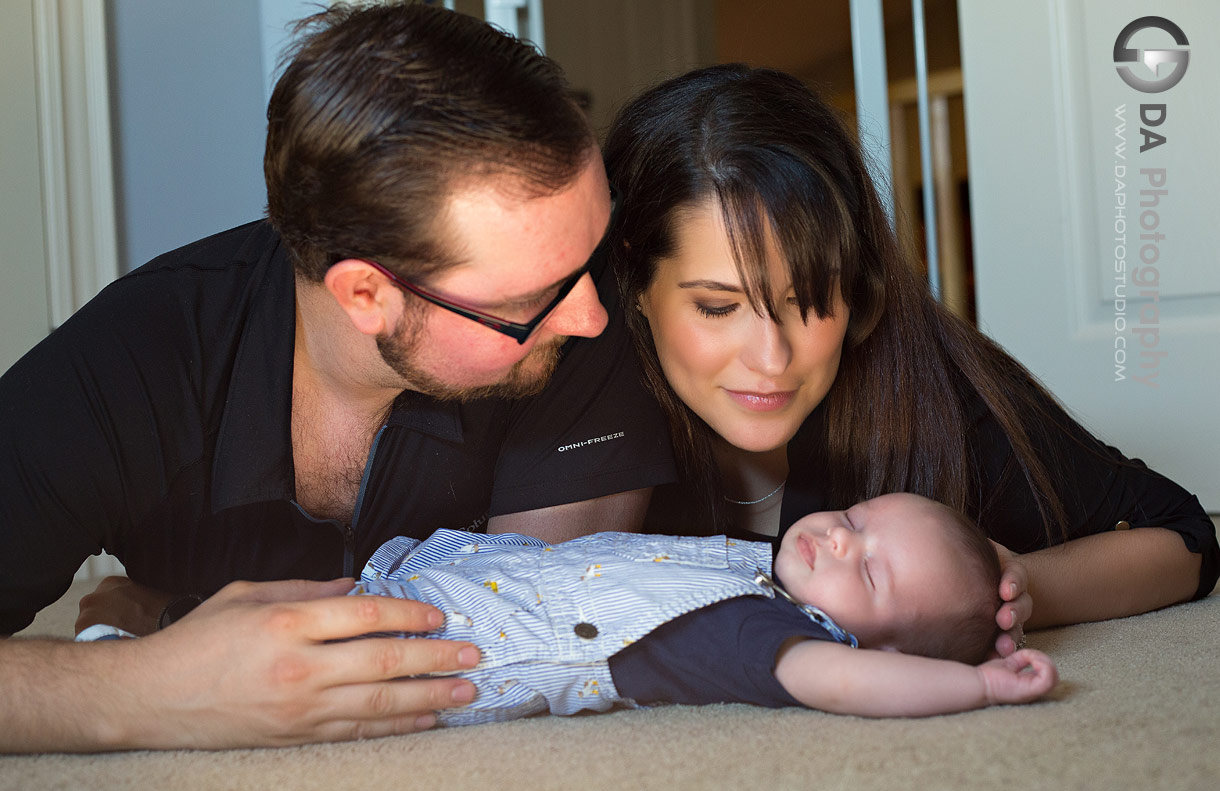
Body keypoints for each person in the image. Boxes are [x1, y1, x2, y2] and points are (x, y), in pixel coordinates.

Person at [0, 3, 674, 752]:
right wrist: (146, 686)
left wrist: (165, 616)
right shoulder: (131, 360)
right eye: (527, 302)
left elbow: (532, 649)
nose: (590, 316)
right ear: (365, 295)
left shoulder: (577, 317)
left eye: (590, 254)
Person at [603, 65, 1217, 655]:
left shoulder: (927, 387)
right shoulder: (588, 390)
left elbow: (1184, 540)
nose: (772, 358)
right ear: (635, 280)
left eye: (810, 301)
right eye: (717, 307)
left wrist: (1018, 588)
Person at [80, 493, 1060, 722]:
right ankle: (156, 611)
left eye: (871, 573)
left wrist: (970, 682)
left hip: (437, 651)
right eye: (852, 515)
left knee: (284, 644)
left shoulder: (764, 634)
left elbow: (846, 683)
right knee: (279, 591)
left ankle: (124, 640)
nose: (838, 537)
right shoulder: (758, 567)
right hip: (437, 576)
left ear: (858, 632)